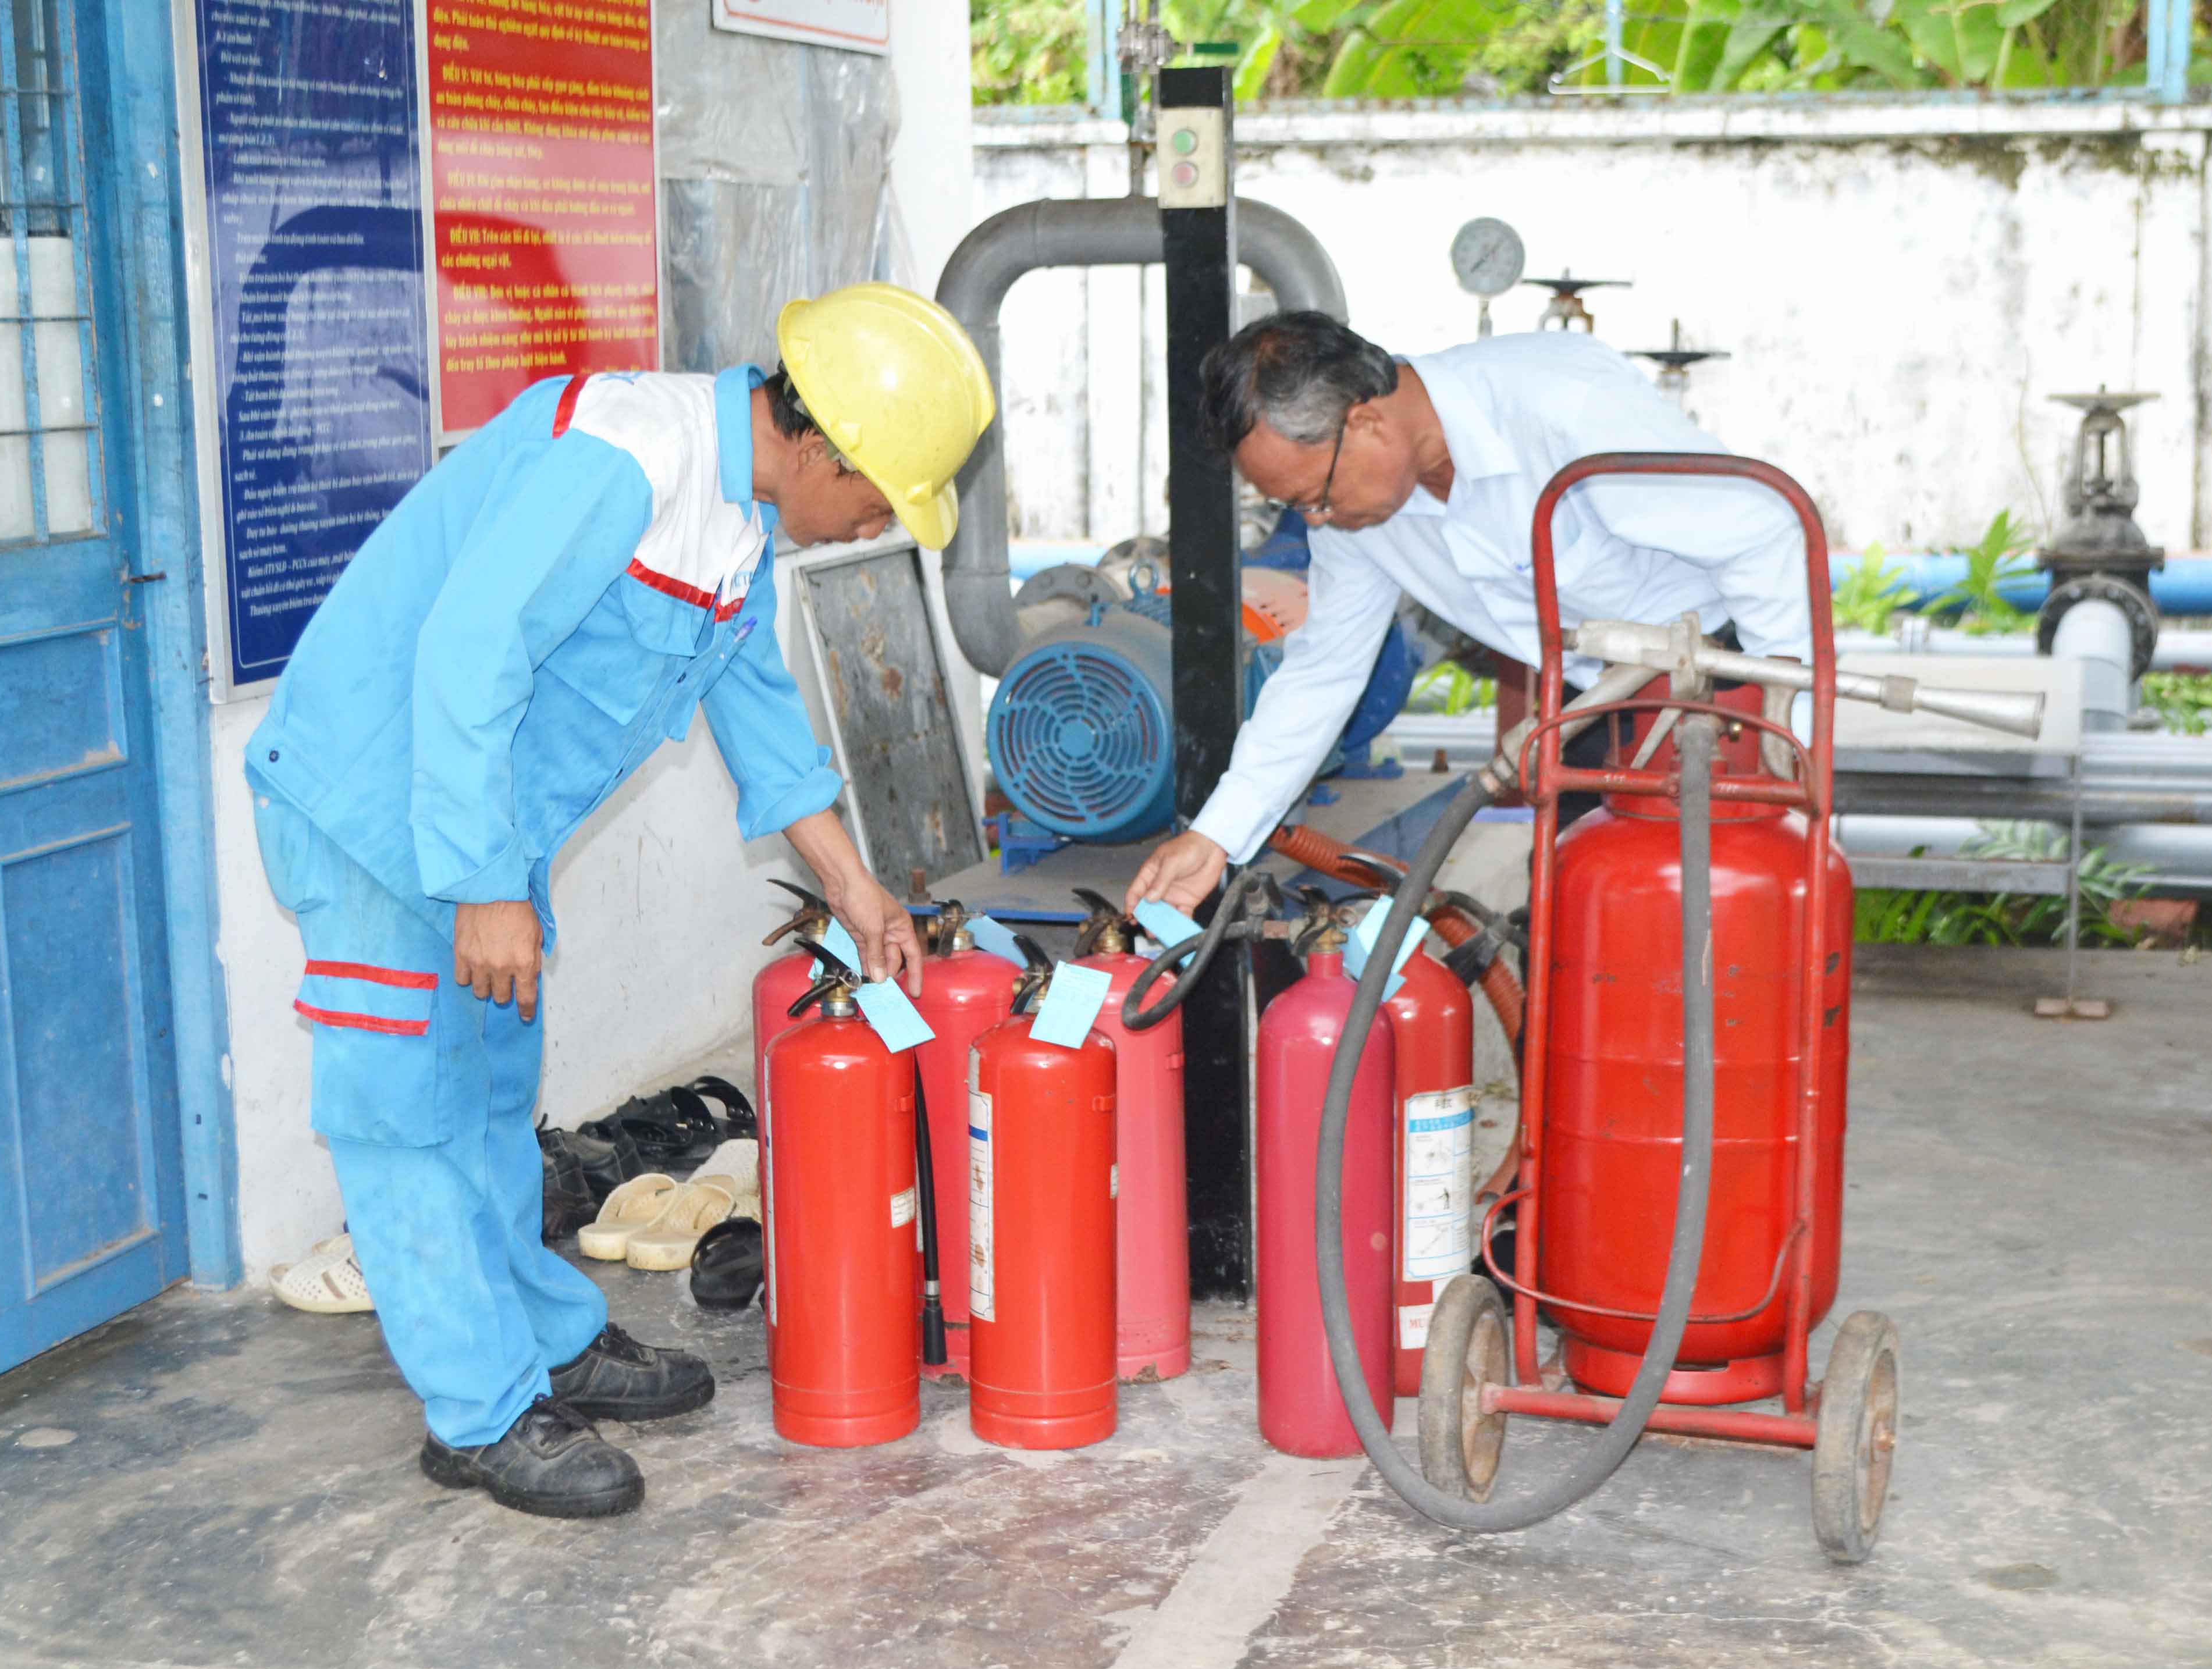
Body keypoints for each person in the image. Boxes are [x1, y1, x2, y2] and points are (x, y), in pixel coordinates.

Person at [246, 283, 996, 1518]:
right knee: (405, 1115)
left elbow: (757, 708)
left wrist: (856, 887)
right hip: (381, 811)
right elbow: (466, 649)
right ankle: (480, 1415)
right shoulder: (625, 460)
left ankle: (547, 1342)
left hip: (484, 822)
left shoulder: (741, 514)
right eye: (871, 495)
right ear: (816, 443)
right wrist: (487, 883)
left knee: (491, 1091)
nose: (865, 520)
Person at [1124, 311, 1811, 917]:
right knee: (1579, 934)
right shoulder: (1361, 519)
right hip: (1597, 699)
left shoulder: (1560, 406)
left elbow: (1764, 533)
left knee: (1726, 938)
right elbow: (1322, 673)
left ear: (1364, 421)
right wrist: (1215, 835)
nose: (1318, 521)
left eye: (1317, 497)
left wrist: (1794, 747)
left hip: (1724, 685)